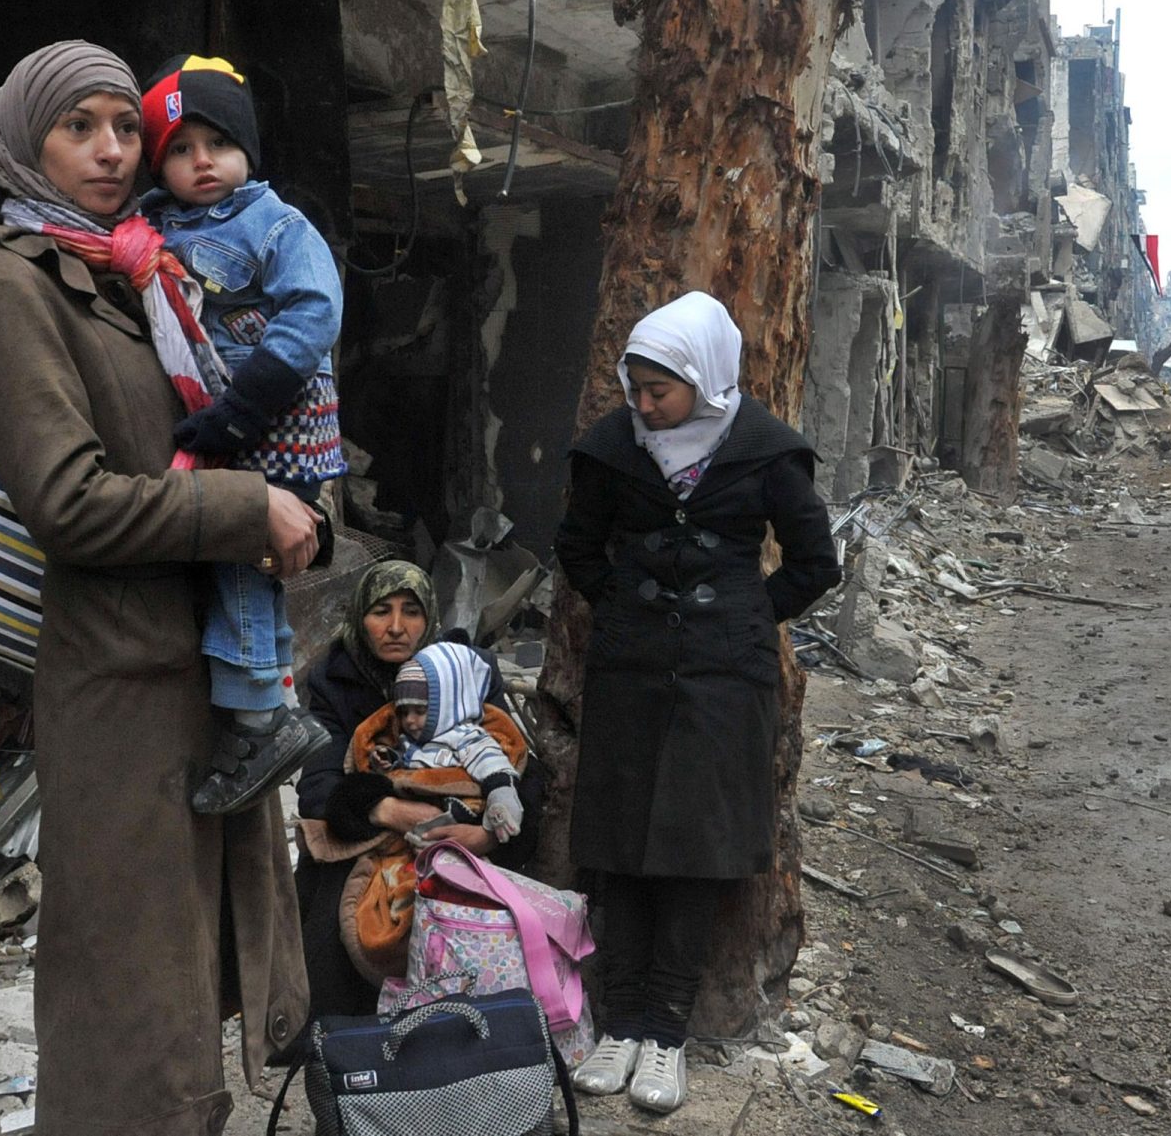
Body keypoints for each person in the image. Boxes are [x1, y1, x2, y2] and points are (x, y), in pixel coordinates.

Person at [0, 41, 315, 1133]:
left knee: (192, 981)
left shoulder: (138, 266)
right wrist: (249, 511)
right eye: (80, 127)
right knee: (127, 991)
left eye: (124, 125)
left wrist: (303, 506)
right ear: (27, 141)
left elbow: (217, 433)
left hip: (204, 667)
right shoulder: (7, 277)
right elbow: (69, 500)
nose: (114, 150)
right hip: (119, 686)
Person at [554, 291, 841, 1115]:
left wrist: (745, 617)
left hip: (724, 684)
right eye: (636, 389)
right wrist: (625, 605)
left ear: (703, 379)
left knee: (692, 851)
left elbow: (816, 562)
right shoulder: (614, 449)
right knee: (622, 844)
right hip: (631, 672)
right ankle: (619, 1022)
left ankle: (667, 1033)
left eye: (660, 392)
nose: (644, 406)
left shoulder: (765, 453)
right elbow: (578, 545)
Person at [139, 55, 348, 815]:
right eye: (180, 147)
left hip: (277, 426)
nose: (201, 161)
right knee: (229, 562)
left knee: (241, 564)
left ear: (248, 151)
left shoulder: (275, 223)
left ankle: (261, 717)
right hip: (224, 424)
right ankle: (260, 701)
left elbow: (315, 313)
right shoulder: (155, 223)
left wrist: (245, 408)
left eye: (217, 143)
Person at [294, 561, 540, 1018]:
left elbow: (517, 766)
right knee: (337, 934)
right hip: (373, 838)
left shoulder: (465, 671)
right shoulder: (334, 678)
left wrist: (483, 834)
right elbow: (318, 787)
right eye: (380, 611)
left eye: (411, 611)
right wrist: (396, 812)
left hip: (469, 831)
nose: (395, 627)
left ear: (429, 617)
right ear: (358, 617)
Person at [376, 643, 525, 840]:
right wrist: (387, 758)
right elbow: (404, 760)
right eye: (404, 712)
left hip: (457, 814)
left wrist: (501, 795)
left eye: (420, 711)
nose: (410, 721)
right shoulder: (407, 738)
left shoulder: (464, 736)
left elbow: (490, 761)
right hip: (411, 814)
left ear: (447, 705)